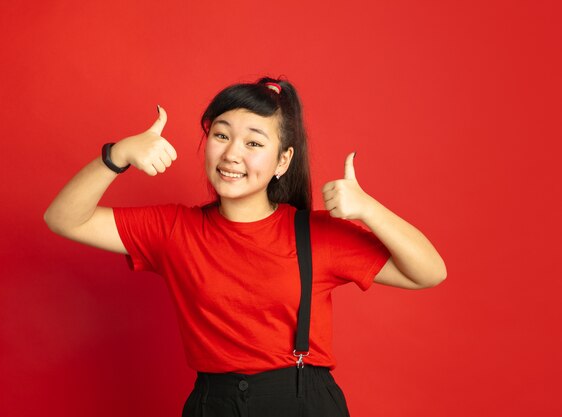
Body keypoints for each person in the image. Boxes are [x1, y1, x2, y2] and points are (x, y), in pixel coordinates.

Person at [44, 77, 446, 416]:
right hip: (213, 403)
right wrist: (117, 156)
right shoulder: (173, 228)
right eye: (221, 135)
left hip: (302, 403)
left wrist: (370, 210)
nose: (232, 153)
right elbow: (64, 218)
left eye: (253, 143)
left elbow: (429, 272)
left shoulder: (315, 234)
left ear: (283, 160)